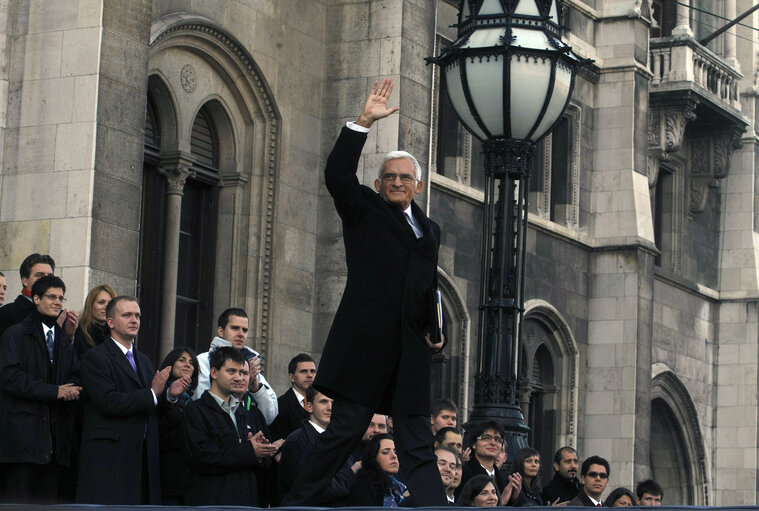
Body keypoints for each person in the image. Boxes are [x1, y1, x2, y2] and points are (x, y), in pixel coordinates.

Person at [283, 78, 446, 506]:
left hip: (410, 349)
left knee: (417, 438)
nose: (396, 182)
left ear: (418, 186)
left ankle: (432, 505)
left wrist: (435, 328)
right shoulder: (363, 210)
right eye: (388, 177)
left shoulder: (430, 230)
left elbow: (428, 284)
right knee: (344, 432)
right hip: (366, 345)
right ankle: (297, 503)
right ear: (377, 185)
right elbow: (337, 174)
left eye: (404, 177)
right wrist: (362, 123)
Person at [76, 296, 185, 505]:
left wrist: (169, 394)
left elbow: (151, 406)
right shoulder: (95, 357)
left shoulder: (143, 359)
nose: (134, 320)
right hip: (112, 459)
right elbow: (108, 401)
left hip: (143, 458)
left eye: (137, 315)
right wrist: (153, 393)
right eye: (127, 315)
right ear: (110, 322)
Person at [0, 275, 81, 503]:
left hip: (54, 446)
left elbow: (76, 375)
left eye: (61, 298)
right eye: (52, 297)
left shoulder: (65, 340)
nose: (58, 302)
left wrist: (72, 390)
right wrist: (53, 391)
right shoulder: (15, 334)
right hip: (22, 445)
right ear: (36, 298)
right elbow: (9, 377)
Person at [182, 347, 279, 506]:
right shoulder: (196, 410)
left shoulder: (247, 412)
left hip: (248, 502)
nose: (239, 377)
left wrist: (264, 452)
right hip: (213, 502)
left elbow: (260, 462)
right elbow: (201, 458)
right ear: (214, 373)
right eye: (231, 371)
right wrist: (249, 451)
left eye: (243, 373)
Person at [194, 308, 277, 424]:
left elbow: (269, 417)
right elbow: (199, 401)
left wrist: (255, 388)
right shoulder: (202, 361)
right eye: (234, 328)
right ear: (221, 331)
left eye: (245, 330)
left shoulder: (251, 363)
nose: (241, 334)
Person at [278, 386, 360, 505]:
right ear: (309, 406)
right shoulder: (297, 441)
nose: (330, 407)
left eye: (334, 403)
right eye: (323, 402)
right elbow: (310, 489)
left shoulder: (342, 439)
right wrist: (352, 473)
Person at [158, 347, 199, 505]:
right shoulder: (160, 393)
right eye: (182, 360)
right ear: (170, 364)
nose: (188, 365)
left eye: (191, 362)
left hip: (188, 481)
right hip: (167, 480)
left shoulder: (191, 401)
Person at [0, 253, 58, 339]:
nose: (47, 280)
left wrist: (67, 335)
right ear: (25, 281)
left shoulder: (60, 315)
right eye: (39, 275)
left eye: (50, 276)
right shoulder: (6, 314)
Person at [457, 421, 519, 501]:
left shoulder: (504, 479)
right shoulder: (464, 474)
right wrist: (500, 503)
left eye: (497, 439)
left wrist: (514, 498)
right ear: (474, 444)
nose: (493, 443)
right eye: (486, 438)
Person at [347, 433, 408, 506]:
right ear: (373, 457)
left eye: (396, 452)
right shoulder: (363, 488)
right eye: (386, 452)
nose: (394, 456)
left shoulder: (399, 487)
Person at [270, 353, 316, 440]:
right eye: (304, 371)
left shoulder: (323, 403)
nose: (310, 375)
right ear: (292, 377)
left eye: (312, 371)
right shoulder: (280, 405)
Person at [75, 284, 116, 356]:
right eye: (101, 302)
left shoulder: (116, 333)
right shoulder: (77, 330)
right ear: (90, 305)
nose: (106, 307)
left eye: (110, 303)